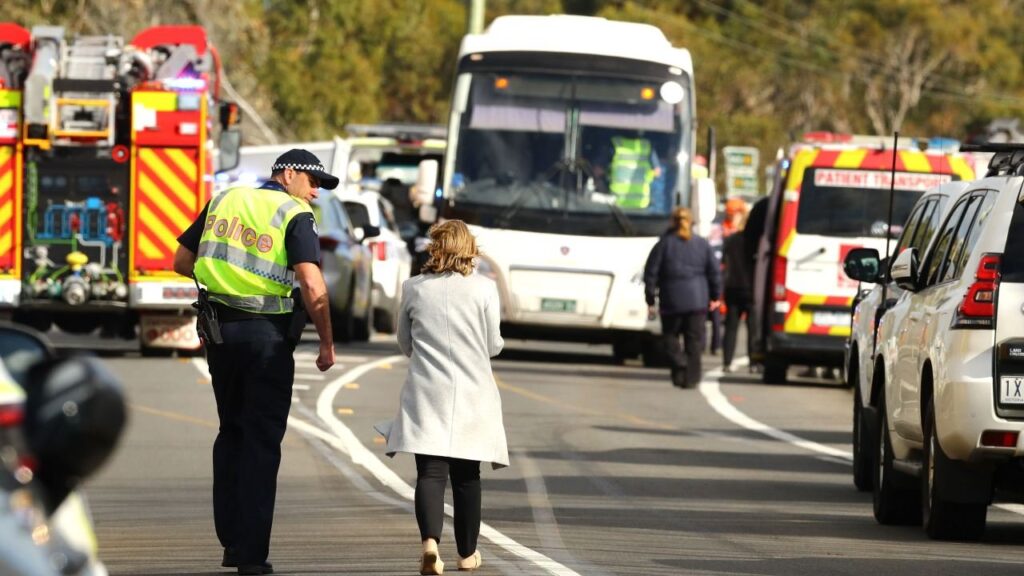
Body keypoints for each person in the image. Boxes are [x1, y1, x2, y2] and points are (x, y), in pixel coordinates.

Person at [173, 149, 338, 575]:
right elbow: (311, 282)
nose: (316, 191)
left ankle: (231, 541)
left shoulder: (224, 200)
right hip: (267, 338)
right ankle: (250, 556)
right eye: (312, 181)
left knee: (231, 432)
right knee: (262, 443)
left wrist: (221, 284)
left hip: (220, 334)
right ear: (286, 175)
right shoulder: (294, 214)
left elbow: (182, 261)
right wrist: (326, 342)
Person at [374, 220, 507, 575]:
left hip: (427, 390)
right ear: (470, 250)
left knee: (431, 474)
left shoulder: (415, 288)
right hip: (472, 395)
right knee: (467, 476)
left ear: (435, 248)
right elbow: (493, 344)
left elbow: (405, 342)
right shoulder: (484, 289)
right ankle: (467, 554)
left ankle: (430, 544)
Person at [644, 207, 722, 388]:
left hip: (671, 300)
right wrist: (715, 295)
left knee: (670, 337)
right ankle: (692, 379)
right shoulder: (702, 244)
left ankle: (679, 366)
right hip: (697, 300)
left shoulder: (664, 244)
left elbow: (651, 273)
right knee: (694, 341)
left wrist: (650, 298)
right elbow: (714, 272)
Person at [721, 204, 755, 373]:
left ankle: (727, 361)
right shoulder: (756, 242)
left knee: (731, 327)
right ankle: (753, 363)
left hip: (732, 287)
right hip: (751, 289)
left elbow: (724, 262)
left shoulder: (731, 240)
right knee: (752, 329)